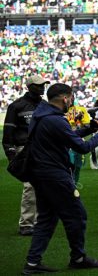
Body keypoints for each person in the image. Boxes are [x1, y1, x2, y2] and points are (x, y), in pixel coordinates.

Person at [22, 83, 98, 274]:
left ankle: (32, 263)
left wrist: (90, 128)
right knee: (76, 215)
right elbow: (82, 147)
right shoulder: (55, 120)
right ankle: (78, 258)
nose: (72, 101)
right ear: (65, 99)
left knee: (47, 219)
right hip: (55, 175)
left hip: (41, 174)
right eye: (71, 98)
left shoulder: (43, 115)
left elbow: (66, 136)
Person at [3, 75, 49, 237]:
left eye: (43, 85)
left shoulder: (45, 105)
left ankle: (40, 222)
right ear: (29, 87)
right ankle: (26, 224)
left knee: (44, 187)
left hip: (44, 149)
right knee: (30, 188)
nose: (42, 88)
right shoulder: (16, 106)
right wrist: (11, 155)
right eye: (38, 85)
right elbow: (8, 133)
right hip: (25, 150)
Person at [66, 93, 91, 185]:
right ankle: (69, 185)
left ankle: (74, 185)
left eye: (72, 96)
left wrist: (79, 121)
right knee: (69, 164)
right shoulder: (59, 111)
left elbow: (87, 126)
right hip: (64, 142)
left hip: (77, 141)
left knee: (77, 166)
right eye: (68, 96)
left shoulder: (80, 110)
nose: (70, 98)